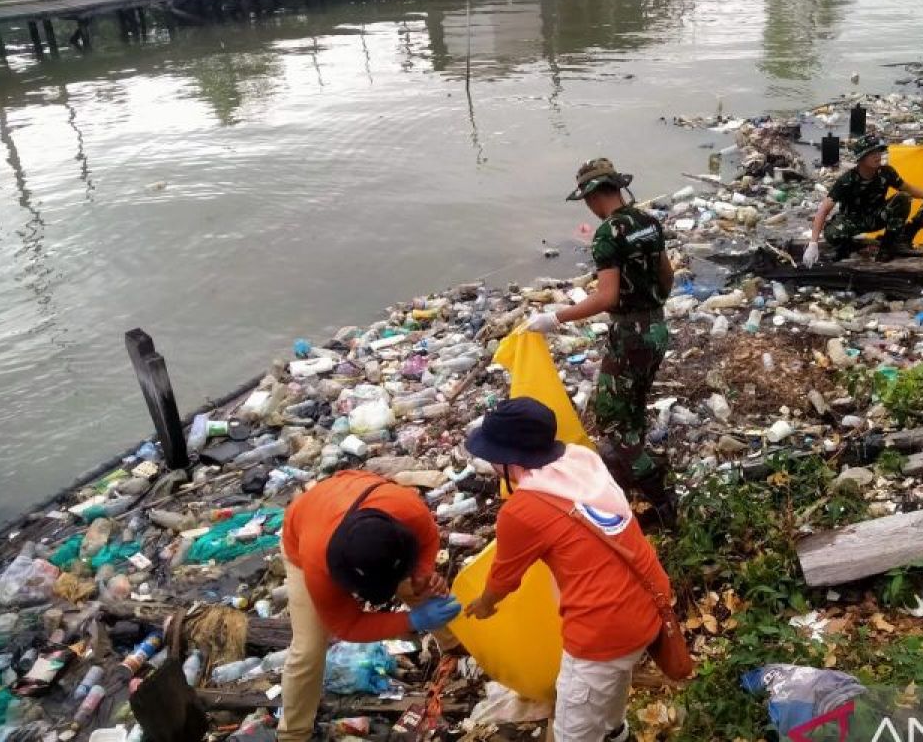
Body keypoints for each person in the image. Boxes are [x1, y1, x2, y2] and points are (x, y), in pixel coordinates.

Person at [462, 397, 674, 742]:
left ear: (506, 460)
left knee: (573, 730)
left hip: (602, 630)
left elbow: (503, 578)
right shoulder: (582, 460)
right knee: (612, 688)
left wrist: (485, 604)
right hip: (646, 602)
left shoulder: (523, 510)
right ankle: (617, 734)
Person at [523, 158, 675, 518]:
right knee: (633, 403)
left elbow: (606, 297)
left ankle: (660, 493)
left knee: (610, 416)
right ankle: (630, 468)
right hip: (656, 328)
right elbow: (666, 275)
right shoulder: (648, 222)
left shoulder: (608, 235)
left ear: (593, 195)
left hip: (631, 335)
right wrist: (649, 308)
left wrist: (554, 318)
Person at [278, 470, 462, 742]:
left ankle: (455, 646)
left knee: (417, 586)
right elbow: (346, 625)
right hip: (304, 532)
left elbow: (429, 538)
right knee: (307, 651)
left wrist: (422, 571)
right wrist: (411, 621)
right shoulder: (319, 566)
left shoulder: (408, 510)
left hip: (350, 504)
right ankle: (292, 734)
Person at [803, 134, 923, 265]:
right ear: (861, 158)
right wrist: (813, 244)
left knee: (903, 198)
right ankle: (849, 246)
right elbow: (823, 210)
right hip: (853, 221)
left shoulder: (887, 172)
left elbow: (910, 189)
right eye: (871, 153)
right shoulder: (847, 180)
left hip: (878, 216)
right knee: (831, 233)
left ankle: (888, 245)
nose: (877, 156)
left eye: (878, 151)